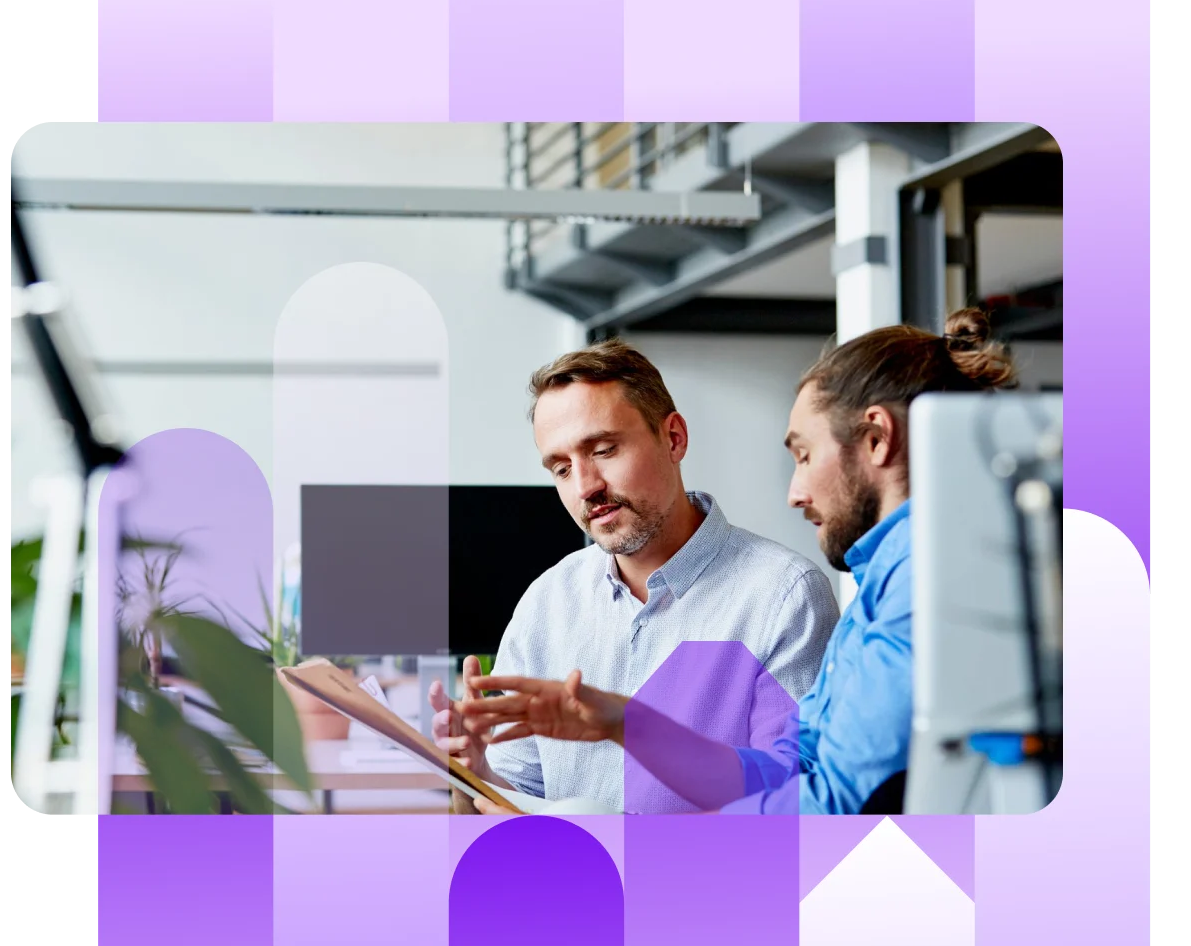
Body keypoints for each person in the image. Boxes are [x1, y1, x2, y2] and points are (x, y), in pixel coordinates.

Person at [464, 308, 1019, 816]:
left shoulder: (920, 586)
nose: (795, 492)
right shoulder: (877, 590)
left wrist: (652, 864)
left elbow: (833, 808)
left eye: (803, 455)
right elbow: (786, 771)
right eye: (559, 467)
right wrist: (622, 724)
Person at [430, 340, 838, 814]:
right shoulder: (547, 604)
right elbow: (512, 808)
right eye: (561, 469)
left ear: (674, 438)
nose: (586, 487)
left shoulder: (784, 597)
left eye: (603, 450)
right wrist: (473, 774)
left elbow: (795, 809)